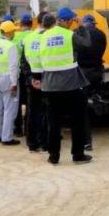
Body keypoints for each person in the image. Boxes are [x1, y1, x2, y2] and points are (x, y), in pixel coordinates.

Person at [36, 9, 93, 165]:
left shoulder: (43, 36)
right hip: (71, 84)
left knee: (53, 122)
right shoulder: (70, 35)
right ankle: (78, 155)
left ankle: (54, 156)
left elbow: (36, 57)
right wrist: (81, 27)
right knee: (77, 120)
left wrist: (36, 77)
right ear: (69, 21)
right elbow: (87, 44)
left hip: (50, 85)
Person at [0, 20, 21, 145]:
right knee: (9, 109)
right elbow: (13, 66)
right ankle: (6, 137)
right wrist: (14, 83)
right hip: (8, 79)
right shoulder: (10, 46)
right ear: (10, 32)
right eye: (13, 31)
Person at [77, 14, 107, 151]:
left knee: (81, 108)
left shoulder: (76, 34)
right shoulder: (101, 34)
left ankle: (86, 141)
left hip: (81, 74)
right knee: (91, 96)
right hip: (96, 72)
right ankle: (97, 98)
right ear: (94, 23)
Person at [22, 12, 48, 152]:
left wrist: (31, 79)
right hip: (46, 78)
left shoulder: (28, 38)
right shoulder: (47, 37)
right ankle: (44, 142)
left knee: (32, 111)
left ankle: (32, 142)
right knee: (45, 111)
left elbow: (24, 62)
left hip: (31, 79)